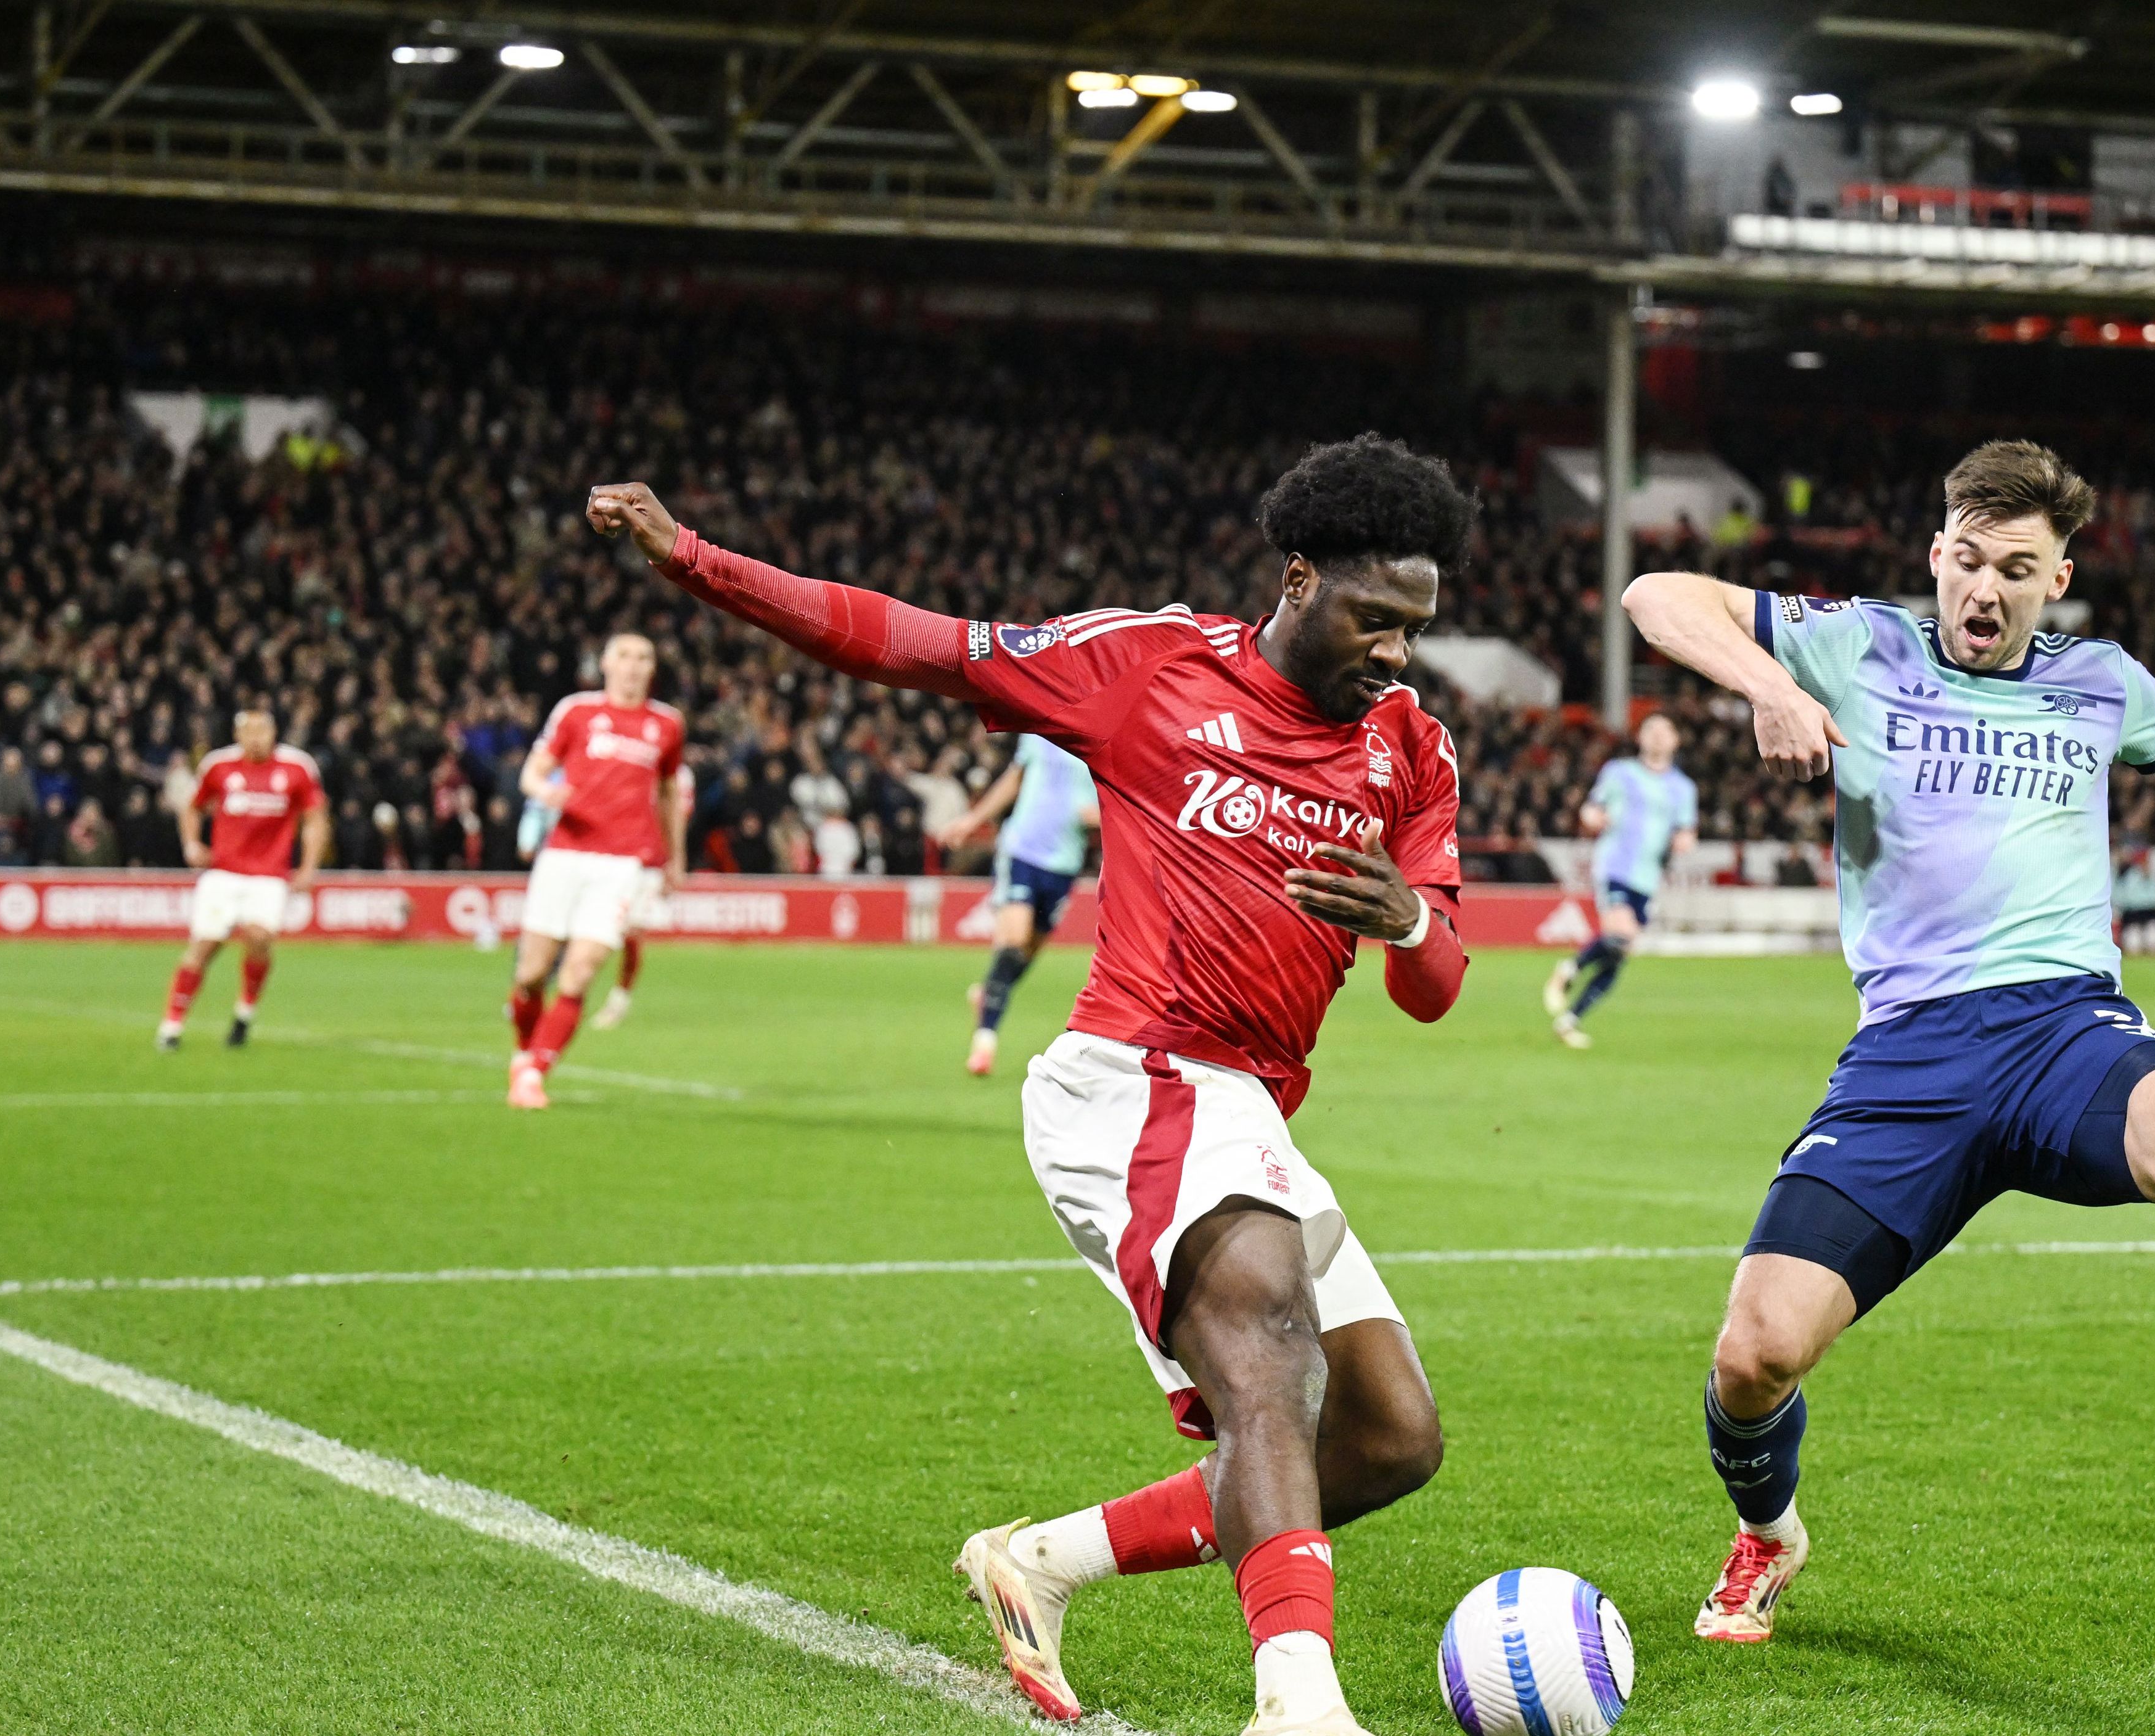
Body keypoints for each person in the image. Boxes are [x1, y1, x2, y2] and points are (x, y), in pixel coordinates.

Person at [587, 432, 1475, 1736]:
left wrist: (1405, 920)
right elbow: (918, 644)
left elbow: (1434, 985)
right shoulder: (1153, 665)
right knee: (1271, 1351)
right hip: (1135, 1075)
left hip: (1245, 1108)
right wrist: (696, 561)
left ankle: (1042, 1560)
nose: (1395, 653)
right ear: (1299, 579)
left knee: (1391, 1436)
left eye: (1415, 630)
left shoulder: (1411, 750)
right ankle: (1298, 1704)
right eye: (1375, 619)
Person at [1623, 438, 2155, 1647]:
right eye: (1967, 559)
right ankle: (1768, 1531)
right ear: (1936, 554)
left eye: (2015, 569)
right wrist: (1766, 684)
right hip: (1910, 1056)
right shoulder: (1860, 644)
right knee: (1753, 1356)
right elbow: (1655, 595)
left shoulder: (2101, 681)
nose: (1983, 588)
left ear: (2058, 580)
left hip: (2063, 1030)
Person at [505, 636, 686, 1109]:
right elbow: (533, 771)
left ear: (652, 668)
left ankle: (535, 1073)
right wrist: (544, 791)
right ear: (605, 663)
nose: (633, 666)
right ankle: (523, 1053)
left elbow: (668, 793)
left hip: (622, 864)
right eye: (624, 656)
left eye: (643, 658)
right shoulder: (576, 711)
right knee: (531, 974)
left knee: (581, 970)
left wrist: (675, 857)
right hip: (565, 855)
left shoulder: (667, 724)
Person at [158, 708, 327, 1050]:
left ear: (274, 732)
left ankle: (244, 1013)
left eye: (263, 730)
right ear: (238, 736)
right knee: (206, 945)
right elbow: (192, 806)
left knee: (259, 938)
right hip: (224, 873)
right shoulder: (218, 766)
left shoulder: (298, 768)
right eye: (250, 732)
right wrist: (191, 844)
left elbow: (315, 818)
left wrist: (309, 867)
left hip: (269, 875)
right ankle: (171, 1026)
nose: (257, 738)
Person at [940, 733, 1102, 1077]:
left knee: (1026, 952)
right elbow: (1015, 777)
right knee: (1013, 945)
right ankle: (984, 1043)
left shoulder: (1100, 735)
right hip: (1022, 851)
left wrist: (1099, 816)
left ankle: (988, 992)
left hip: (1064, 863)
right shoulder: (1037, 731)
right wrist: (973, 820)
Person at [1545, 712, 1699, 1048]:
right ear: (1640, 738)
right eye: (1651, 729)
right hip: (1615, 866)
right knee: (1621, 934)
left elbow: (1686, 830)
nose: (1658, 736)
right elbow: (1592, 808)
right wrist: (1592, 817)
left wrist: (1685, 840)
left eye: (1665, 730)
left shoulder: (1683, 789)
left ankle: (1570, 1019)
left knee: (1619, 952)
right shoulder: (1619, 772)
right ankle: (1570, 968)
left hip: (1648, 877)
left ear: (1676, 741)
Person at [593, 762, 694, 1030]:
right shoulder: (631, 761)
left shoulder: (680, 775)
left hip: (651, 863)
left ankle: (619, 1001)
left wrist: (674, 860)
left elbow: (679, 816)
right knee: (601, 929)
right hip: (617, 856)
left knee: (632, 932)